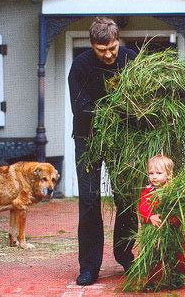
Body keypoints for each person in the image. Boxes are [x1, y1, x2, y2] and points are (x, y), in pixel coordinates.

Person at [68, 17, 138, 286]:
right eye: (102, 50)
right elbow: (80, 106)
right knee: (88, 200)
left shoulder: (131, 60)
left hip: (123, 140)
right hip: (88, 139)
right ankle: (89, 266)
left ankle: (124, 254)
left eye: (112, 48)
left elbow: (142, 100)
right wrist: (113, 112)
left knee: (126, 196)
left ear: (117, 40)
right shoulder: (81, 65)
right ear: (92, 45)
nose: (108, 54)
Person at [138, 154, 185, 286]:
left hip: (172, 228)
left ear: (169, 175)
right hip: (154, 229)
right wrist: (150, 216)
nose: (154, 176)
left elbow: (179, 208)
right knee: (153, 253)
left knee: (176, 253)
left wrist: (173, 220)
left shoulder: (174, 191)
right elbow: (143, 206)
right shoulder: (148, 191)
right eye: (151, 173)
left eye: (158, 173)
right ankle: (153, 279)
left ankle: (177, 277)